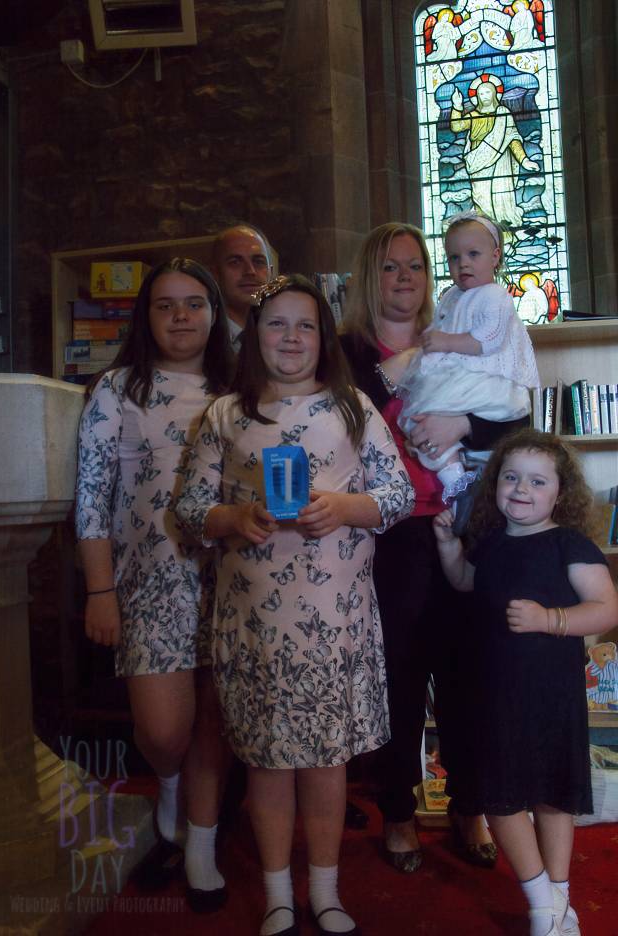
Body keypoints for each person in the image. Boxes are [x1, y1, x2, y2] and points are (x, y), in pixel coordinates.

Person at [175, 274, 415, 936]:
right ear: (255, 334)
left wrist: (343, 507)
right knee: (268, 763)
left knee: (326, 764)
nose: (290, 337)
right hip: (255, 625)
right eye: (276, 323)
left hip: (334, 623)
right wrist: (235, 516)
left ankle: (326, 892)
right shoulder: (226, 414)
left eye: (305, 325)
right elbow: (190, 510)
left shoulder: (352, 408)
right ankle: (279, 893)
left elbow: (398, 496)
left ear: (323, 337)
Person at [339, 222, 529, 875]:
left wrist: (462, 424)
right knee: (399, 674)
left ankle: (469, 806)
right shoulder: (348, 352)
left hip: (462, 520)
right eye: (391, 266)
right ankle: (398, 810)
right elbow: (342, 422)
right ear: (371, 277)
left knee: (467, 673)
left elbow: (515, 417)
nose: (406, 278)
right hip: (388, 531)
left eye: (416, 265)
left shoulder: (460, 331)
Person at [75, 258, 234, 911]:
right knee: (166, 729)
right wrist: (100, 590)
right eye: (165, 305)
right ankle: (168, 784)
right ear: (146, 315)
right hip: (148, 584)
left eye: (194, 303)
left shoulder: (238, 388)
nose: (180, 316)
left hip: (231, 580)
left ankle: (201, 843)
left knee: (214, 720)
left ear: (215, 314)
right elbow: (91, 496)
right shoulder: (118, 388)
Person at [434, 429, 618, 936]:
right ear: (494, 483)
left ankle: (556, 903)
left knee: (554, 796)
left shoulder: (569, 544)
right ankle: (543, 904)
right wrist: (449, 547)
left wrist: (549, 620)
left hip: (550, 693)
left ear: (561, 493)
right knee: (500, 798)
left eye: (538, 481)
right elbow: (465, 582)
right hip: (494, 692)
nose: (521, 489)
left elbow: (606, 609)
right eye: (511, 477)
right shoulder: (491, 542)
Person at [382, 211, 539, 514]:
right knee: (418, 423)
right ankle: (458, 487)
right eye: (454, 257)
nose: (463, 263)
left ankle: (478, 493)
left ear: (495, 256)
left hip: (482, 381)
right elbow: (439, 327)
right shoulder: (451, 297)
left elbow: (488, 339)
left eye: (473, 254)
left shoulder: (495, 296)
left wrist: (444, 342)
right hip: (453, 378)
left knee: (434, 421)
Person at [450, 74, 540, 229]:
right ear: (477, 97)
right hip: (478, 161)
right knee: (481, 198)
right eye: (481, 93)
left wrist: (525, 160)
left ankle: (505, 232)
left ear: (494, 94)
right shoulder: (473, 115)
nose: (485, 96)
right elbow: (456, 126)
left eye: (488, 92)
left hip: (501, 161)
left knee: (502, 198)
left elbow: (513, 140)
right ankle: (483, 232)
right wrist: (457, 106)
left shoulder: (503, 114)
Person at [211, 224, 273, 346]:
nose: (250, 271)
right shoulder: (201, 342)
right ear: (216, 274)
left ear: (271, 273)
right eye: (235, 262)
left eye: (258, 262)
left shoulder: (284, 338)